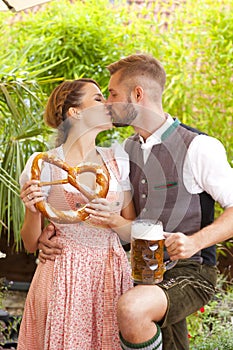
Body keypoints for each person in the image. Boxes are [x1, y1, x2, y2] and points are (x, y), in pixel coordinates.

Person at [38, 54, 233, 350]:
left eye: (113, 94)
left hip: (189, 270)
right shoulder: (122, 152)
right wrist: (47, 233)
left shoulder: (199, 147)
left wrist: (195, 241)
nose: (108, 103)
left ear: (137, 94)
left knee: (132, 309)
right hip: (137, 269)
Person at [17, 78, 136, 350]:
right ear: (75, 111)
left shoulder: (118, 160)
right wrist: (31, 209)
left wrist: (114, 220)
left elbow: (132, 229)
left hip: (111, 271)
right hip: (62, 272)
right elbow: (30, 242)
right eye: (97, 99)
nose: (107, 103)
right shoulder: (43, 165)